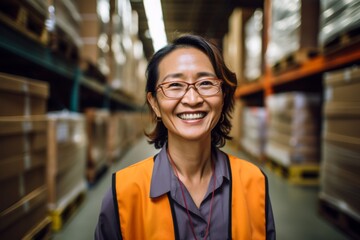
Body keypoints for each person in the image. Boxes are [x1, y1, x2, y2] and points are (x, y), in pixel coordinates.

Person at [95, 34, 276, 240]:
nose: (192, 99)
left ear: (223, 96)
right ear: (154, 103)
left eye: (206, 83)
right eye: (174, 85)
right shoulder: (123, 193)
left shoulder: (254, 183)